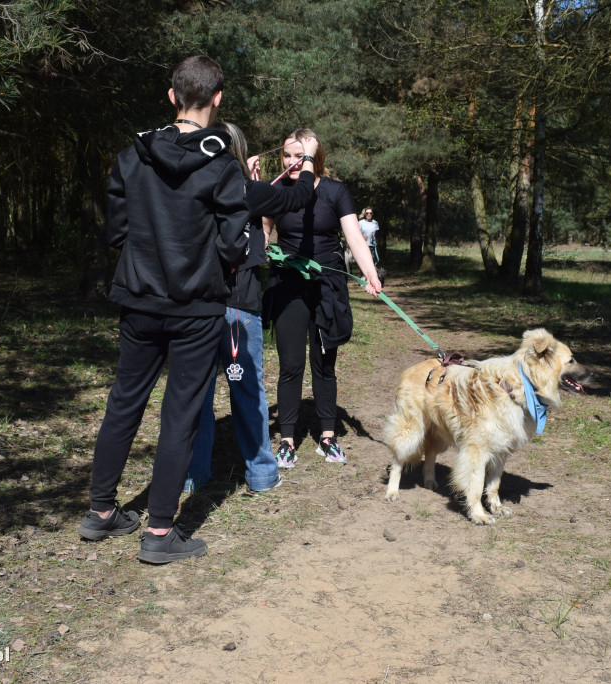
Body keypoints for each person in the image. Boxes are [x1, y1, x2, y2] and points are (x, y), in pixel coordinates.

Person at [77, 56, 250, 565]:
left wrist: (147, 259)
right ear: (217, 99)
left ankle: (101, 512)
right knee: (180, 414)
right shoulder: (222, 166)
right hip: (196, 304)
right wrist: (206, 268)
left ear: (172, 96)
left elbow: (115, 231)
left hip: (139, 295)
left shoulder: (132, 156)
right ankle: (157, 532)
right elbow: (235, 242)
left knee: (125, 400)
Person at [185, 123, 319, 494]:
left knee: (197, 390)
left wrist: (250, 176)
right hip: (236, 307)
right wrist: (307, 158)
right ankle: (261, 472)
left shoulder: (193, 184)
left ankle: (193, 474)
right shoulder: (245, 188)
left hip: (194, 305)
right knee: (246, 388)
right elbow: (299, 197)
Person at [262, 128, 383, 468]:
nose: (290, 161)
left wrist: (370, 274)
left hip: (328, 284)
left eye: (298, 155)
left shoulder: (335, 192)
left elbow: (356, 239)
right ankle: (287, 440)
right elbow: (262, 233)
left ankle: (326, 437)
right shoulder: (277, 191)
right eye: (286, 155)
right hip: (288, 283)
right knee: (290, 365)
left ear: (316, 157)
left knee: (324, 364)